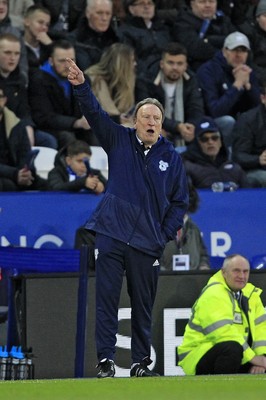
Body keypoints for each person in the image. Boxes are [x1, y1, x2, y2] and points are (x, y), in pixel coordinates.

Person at [67, 57, 189, 378]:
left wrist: (161, 235)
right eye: (146, 117)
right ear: (135, 121)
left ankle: (139, 364)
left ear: (161, 126)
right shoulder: (118, 139)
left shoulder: (171, 159)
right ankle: (106, 361)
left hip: (147, 243)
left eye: (156, 119)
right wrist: (81, 85)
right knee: (106, 299)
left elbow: (180, 202)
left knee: (142, 308)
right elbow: (94, 113)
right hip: (110, 233)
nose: (151, 122)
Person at [178, 254, 266, 375]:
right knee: (232, 349)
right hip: (198, 355)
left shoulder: (252, 295)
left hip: (241, 354)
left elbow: (261, 329)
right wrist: (253, 358)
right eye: (236, 271)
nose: (242, 276)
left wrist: (261, 357)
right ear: (224, 272)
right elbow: (223, 333)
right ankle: (221, 391)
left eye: (246, 271)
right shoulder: (214, 293)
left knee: (237, 350)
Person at [28, 39, 98, 148]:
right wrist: (76, 123)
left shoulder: (82, 78)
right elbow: (43, 117)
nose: (67, 66)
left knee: (96, 134)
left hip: (76, 126)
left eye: (71, 60)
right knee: (67, 138)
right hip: (51, 128)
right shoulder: (38, 80)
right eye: (61, 61)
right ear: (51, 61)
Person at [196, 31, 261, 149]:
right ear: (224, 51)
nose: (238, 55)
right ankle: (231, 161)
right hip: (211, 122)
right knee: (228, 121)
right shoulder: (208, 70)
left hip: (240, 120)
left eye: (243, 51)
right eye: (234, 50)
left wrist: (248, 86)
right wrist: (237, 86)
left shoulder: (247, 71)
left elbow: (259, 109)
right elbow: (215, 110)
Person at [140, 42, 204, 148]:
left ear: (185, 66)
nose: (175, 67)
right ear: (162, 64)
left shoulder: (191, 80)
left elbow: (196, 108)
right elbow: (147, 111)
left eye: (179, 64)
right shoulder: (147, 80)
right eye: (170, 63)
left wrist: (191, 125)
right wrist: (177, 126)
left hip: (184, 129)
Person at [0, 32, 57, 148]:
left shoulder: (20, 79)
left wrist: (28, 127)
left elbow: (24, 110)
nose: (13, 58)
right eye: (7, 53)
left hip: (16, 127)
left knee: (48, 141)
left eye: (17, 54)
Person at [0, 83, 47, 191]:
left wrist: (24, 172)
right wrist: (15, 174)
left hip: (16, 173)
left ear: (4, 100)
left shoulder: (16, 124)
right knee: (7, 185)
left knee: (46, 185)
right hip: (6, 175)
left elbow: (25, 153)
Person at [182, 116, 249, 189]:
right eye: (204, 139)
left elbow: (249, 195)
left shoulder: (235, 168)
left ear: (221, 142)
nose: (210, 142)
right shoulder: (188, 168)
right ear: (197, 144)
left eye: (214, 138)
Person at [173, 0, 235, 72]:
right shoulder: (182, 23)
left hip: (230, 69)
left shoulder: (223, 19)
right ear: (192, 4)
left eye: (211, 2)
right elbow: (196, 49)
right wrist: (228, 53)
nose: (207, 5)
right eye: (202, 2)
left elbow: (237, 40)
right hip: (199, 69)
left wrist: (209, 40)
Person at [160, 180, 210, 271]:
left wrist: (203, 266)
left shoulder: (194, 229)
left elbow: (203, 255)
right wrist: (160, 271)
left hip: (191, 280)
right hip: (164, 281)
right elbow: (150, 258)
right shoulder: (156, 228)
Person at [84, 43, 137, 127]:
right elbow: (96, 114)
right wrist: (118, 119)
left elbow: (127, 110)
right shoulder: (93, 80)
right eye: (132, 61)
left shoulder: (127, 81)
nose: (135, 64)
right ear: (122, 64)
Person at [117, 0, 173, 79]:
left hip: (168, 73)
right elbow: (129, 60)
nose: (147, 7)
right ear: (131, 9)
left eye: (150, 3)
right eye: (141, 3)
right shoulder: (125, 32)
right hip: (143, 78)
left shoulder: (163, 28)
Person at [231, 77, 266, 188]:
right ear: (263, 98)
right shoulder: (248, 120)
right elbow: (238, 155)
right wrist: (259, 159)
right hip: (255, 169)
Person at [68, 0, 119, 71]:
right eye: (99, 13)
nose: (104, 18)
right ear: (88, 13)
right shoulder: (74, 40)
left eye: (108, 13)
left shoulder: (118, 39)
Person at [23, 5, 53, 73]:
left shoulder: (49, 45)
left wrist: (50, 45)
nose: (44, 27)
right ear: (27, 22)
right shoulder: (17, 46)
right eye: (40, 22)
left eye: (47, 25)